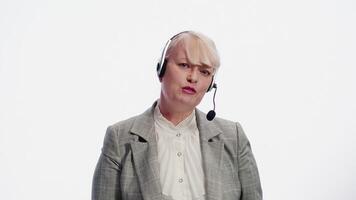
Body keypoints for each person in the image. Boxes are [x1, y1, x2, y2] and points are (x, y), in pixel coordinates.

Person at [92, 31, 262, 200]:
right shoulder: (119, 138)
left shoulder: (234, 137)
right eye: (184, 65)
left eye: (204, 72)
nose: (193, 77)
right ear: (161, 69)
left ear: (211, 84)